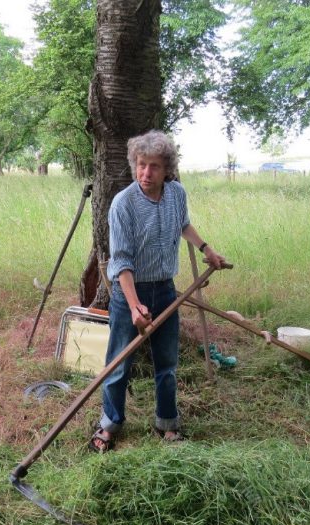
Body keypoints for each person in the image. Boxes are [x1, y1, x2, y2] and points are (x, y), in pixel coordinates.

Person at [89, 130, 227, 453]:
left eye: (153, 166)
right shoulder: (123, 204)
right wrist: (135, 306)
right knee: (118, 363)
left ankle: (167, 422)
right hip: (129, 294)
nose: (146, 173)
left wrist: (206, 248)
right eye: (141, 165)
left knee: (167, 363)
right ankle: (110, 423)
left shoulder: (177, 194)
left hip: (166, 291)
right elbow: (121, 261)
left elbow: (183, 224)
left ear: (167, 170)